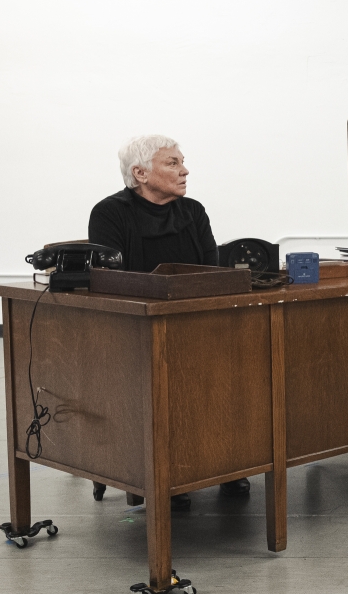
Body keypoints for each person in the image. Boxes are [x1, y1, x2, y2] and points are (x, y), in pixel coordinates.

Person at [88, 135, 247, 510]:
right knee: (167, 379)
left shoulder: (192, 211)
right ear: (140, 173)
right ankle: (166, 475)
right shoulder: (109, 213)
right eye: (173, 163)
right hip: (137, 331)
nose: (185, 170)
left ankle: (229, 460)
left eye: (182, 161)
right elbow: (110, 282)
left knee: (238, 367)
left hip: (196, 324)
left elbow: (213, 271)